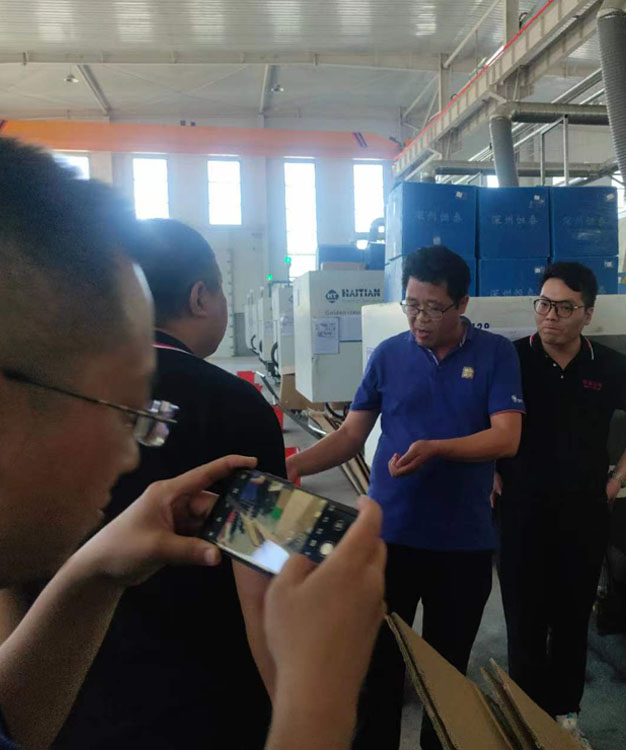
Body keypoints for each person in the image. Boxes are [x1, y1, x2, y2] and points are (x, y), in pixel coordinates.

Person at [0, 137, 385, 750]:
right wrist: (317, 700)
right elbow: (262, 587)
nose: (133, 454)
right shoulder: (232, 404)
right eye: (123, 408)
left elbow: (14, 713)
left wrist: (91, 575)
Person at [35, 218, 285, 749]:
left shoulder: (54, 394)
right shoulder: (236, 406)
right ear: (200, 297)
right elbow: (261, 587)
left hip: (66, 696)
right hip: (205, 703)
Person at [286, 245, 525, 750]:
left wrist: (438, 448)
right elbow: (350, 435)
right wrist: (294, 465)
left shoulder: (495, 354)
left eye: (433, 307)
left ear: (461, 304)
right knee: (378, 669)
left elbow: (507, 437)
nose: (419, 318)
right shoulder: (388, 355)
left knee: (444, 675)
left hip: (461, 544)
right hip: (388, 538)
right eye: (411, 305)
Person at [495, 261, 626, 750]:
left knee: (572, 622)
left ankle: (565, 720)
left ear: (588, 314)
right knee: (524, 623)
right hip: (520, 513)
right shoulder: (510, 359)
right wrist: (487, 471)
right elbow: (475, 418)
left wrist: (618, 479)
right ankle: (526, 723)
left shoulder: (607, 365)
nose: (550, 316)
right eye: (543, 304)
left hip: (583, 514)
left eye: (564, 308)